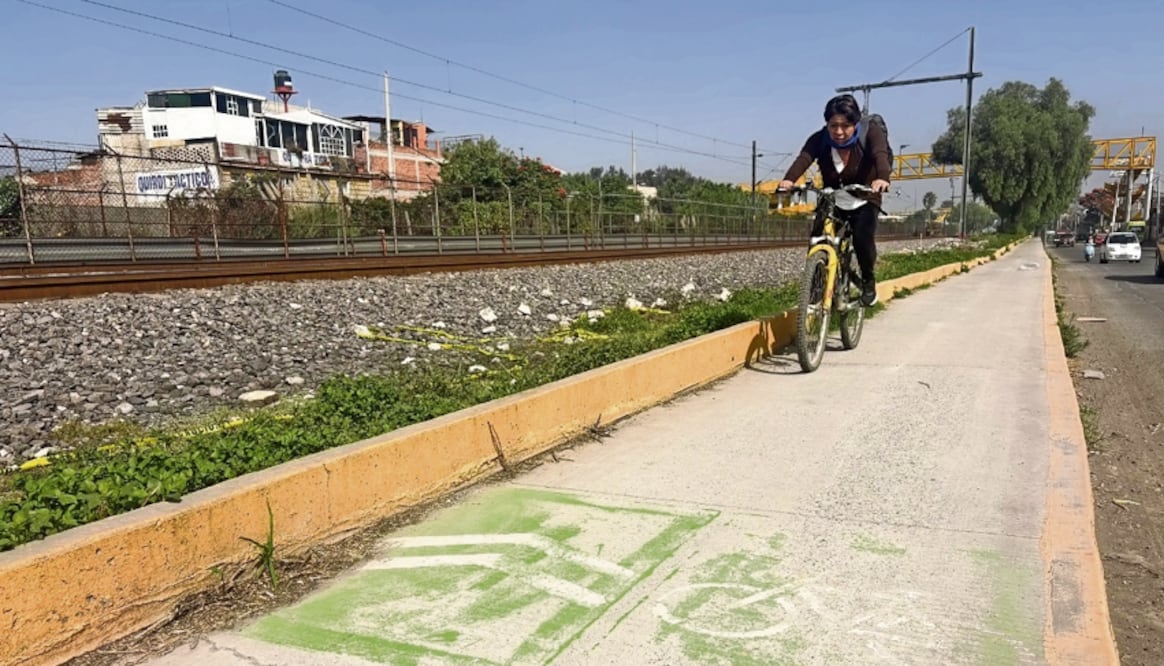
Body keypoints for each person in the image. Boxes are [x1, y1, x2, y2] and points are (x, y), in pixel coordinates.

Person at [778, 94, 891, 306]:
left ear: (855, 123)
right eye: (833, 126)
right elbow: (804, 158)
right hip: (833, 196)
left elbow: (880, 154)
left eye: (846, 126)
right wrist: (788, 180)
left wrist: (882, 177)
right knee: (817, 237)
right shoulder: (820, 138)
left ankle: (868, 281)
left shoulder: (870, 133)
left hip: (864, 195)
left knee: (862, 238)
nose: (839, 132)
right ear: (827, 124)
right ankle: (815, 285)